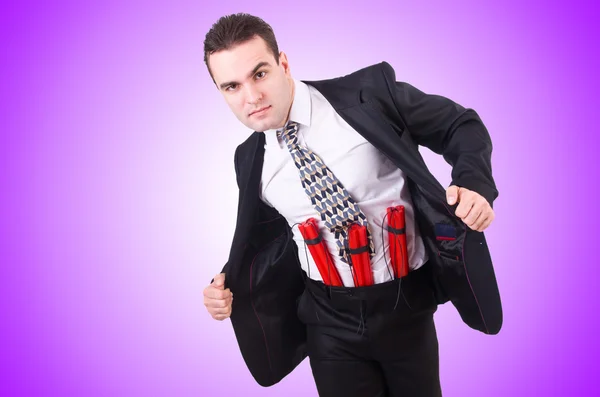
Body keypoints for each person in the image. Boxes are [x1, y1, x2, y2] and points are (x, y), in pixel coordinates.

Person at [201, 13, 502, 397]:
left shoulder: (369, 95)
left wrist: (474, 184)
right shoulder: (250, 159)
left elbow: (460, 125)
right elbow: (266, 237)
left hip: (405, 305)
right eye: (231, 86)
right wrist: (225, 282)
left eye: (259, 74)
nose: (251, 97)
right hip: (327, 319)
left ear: (284, 64)